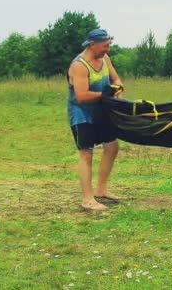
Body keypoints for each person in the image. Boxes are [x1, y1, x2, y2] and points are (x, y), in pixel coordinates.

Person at [67, 29, 124, 211]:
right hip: (82, 113)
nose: (108, 49)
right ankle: (87, 199)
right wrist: (104, 94)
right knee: (86, 153)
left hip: (103, 111)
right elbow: (82, 95)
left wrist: (118, 89)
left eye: (109, 45)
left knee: (112, 147)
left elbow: (116, 79)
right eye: (105, 45)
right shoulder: (79, 65)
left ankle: (101, 190)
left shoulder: (105, 59)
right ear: (92, 44)